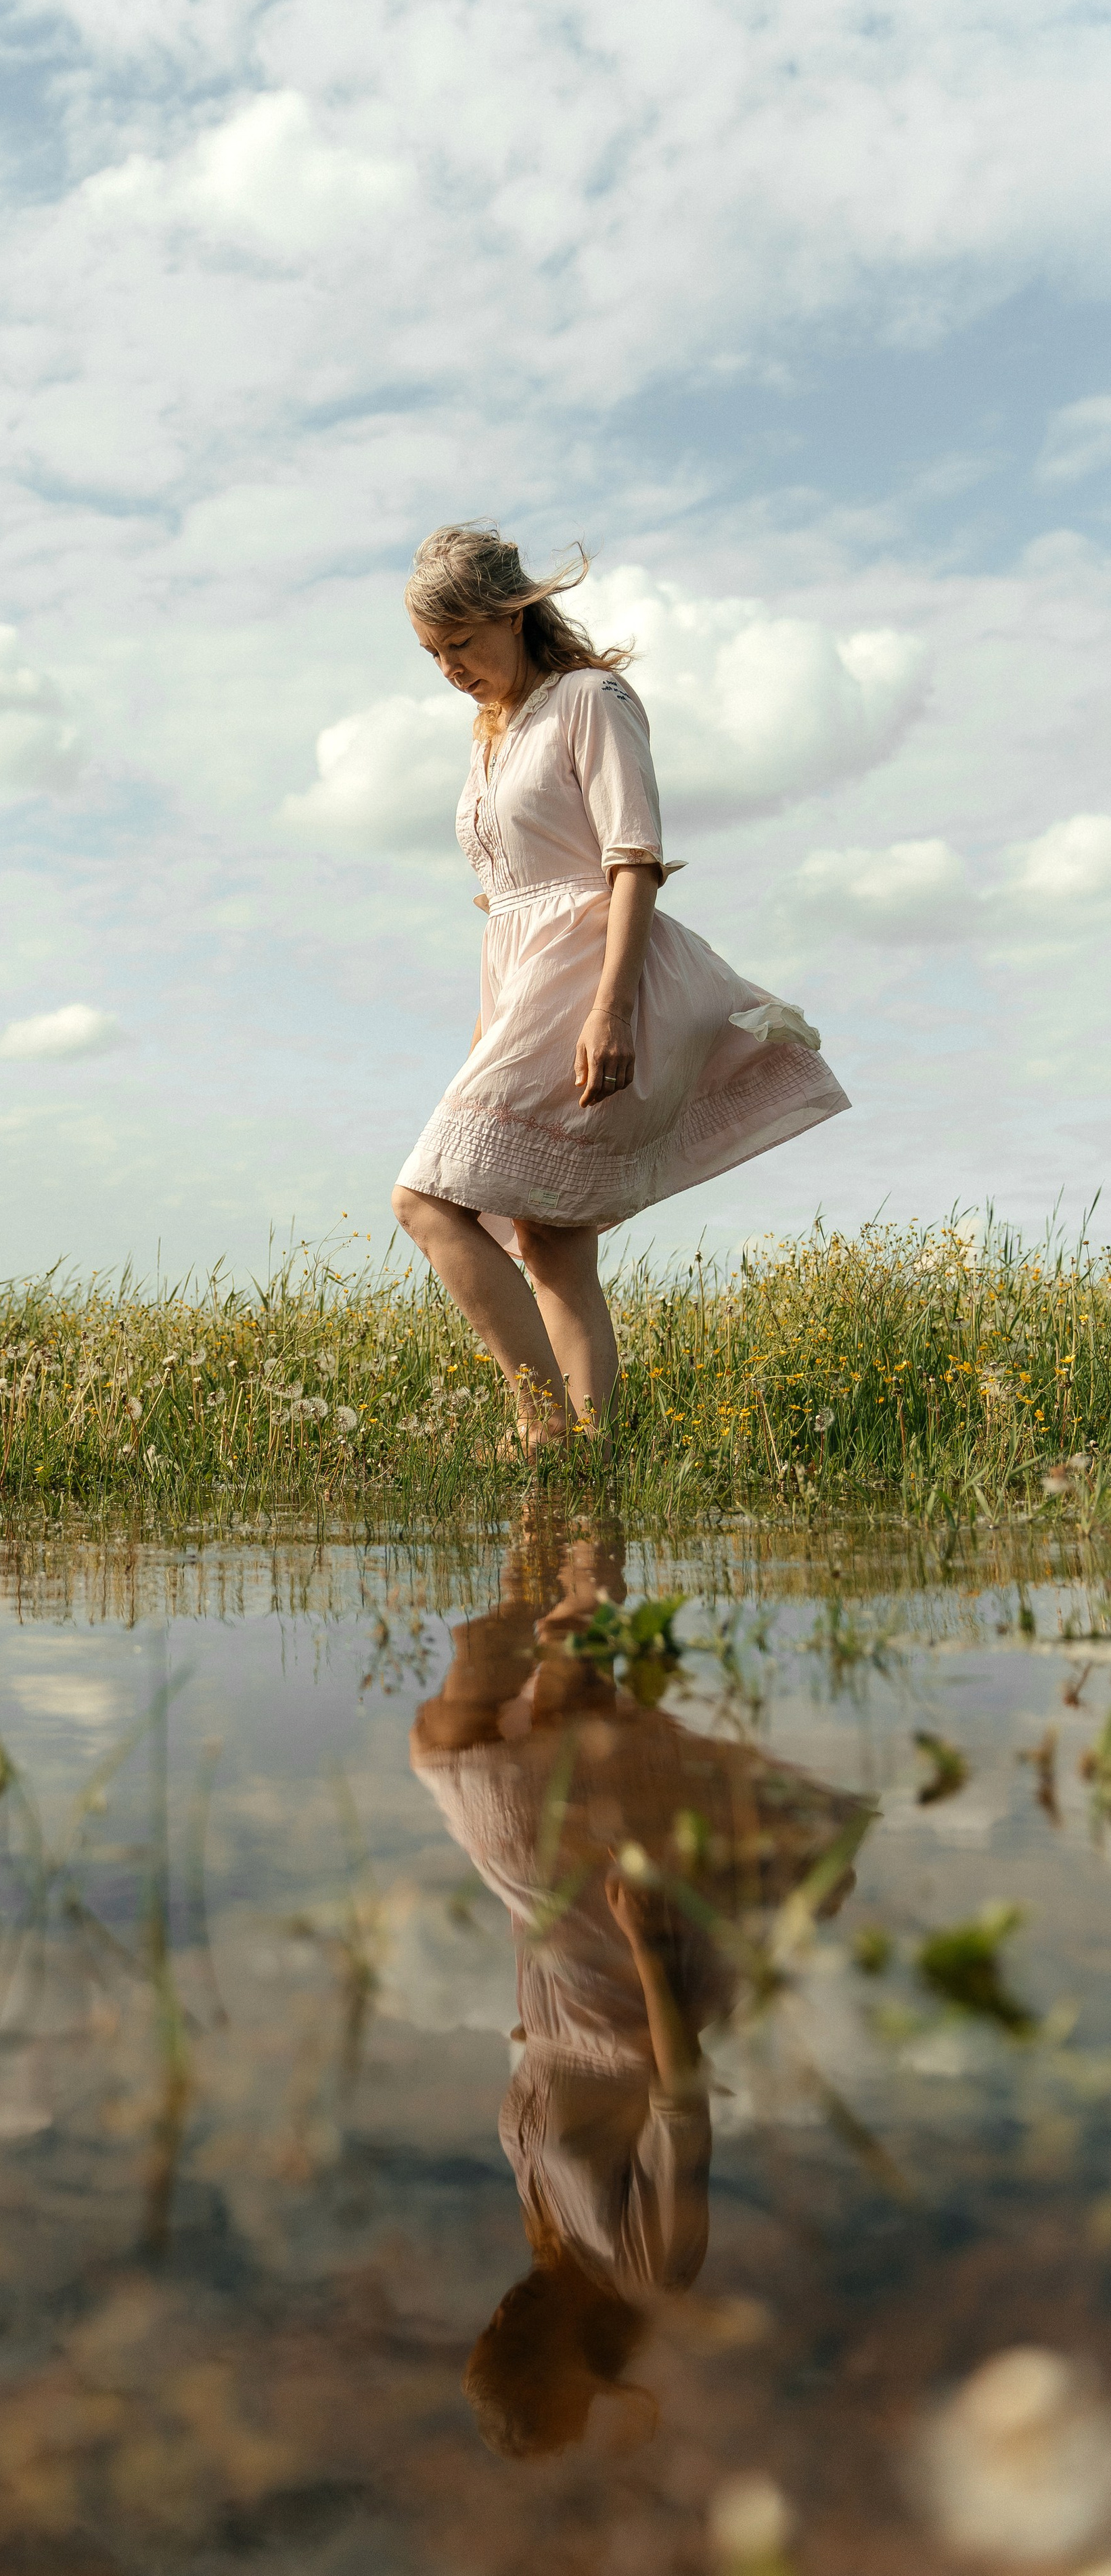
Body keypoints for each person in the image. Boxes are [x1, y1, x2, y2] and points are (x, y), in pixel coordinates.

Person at [409, 1516, 871, 2458]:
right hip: (628, 1959)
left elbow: (545, 2063)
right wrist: (648, 1942)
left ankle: (567, 1492)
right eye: (508, 2342)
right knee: (479, 1743)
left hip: (563, 1945)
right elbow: (681, 2100)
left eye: (489, 2334)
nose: (496, 2318)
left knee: (532, 1719)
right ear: (554, 2361)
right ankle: (580, 1490)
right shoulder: (648, 2269)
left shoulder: (548, 2235)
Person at [390, 525, 851, 1447]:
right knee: (552, 1241)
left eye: (462, 645)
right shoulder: (489, 738)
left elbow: (632, 861)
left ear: (514, 616)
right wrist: (493, 1028)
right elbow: (506, 905)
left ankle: (545, 1432)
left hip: (595, 975)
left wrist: (611, 1010)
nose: (449, 669)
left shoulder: (590, 700)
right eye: (433, 655)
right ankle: (591, 1470)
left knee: (425, 1200)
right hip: (523, 989)